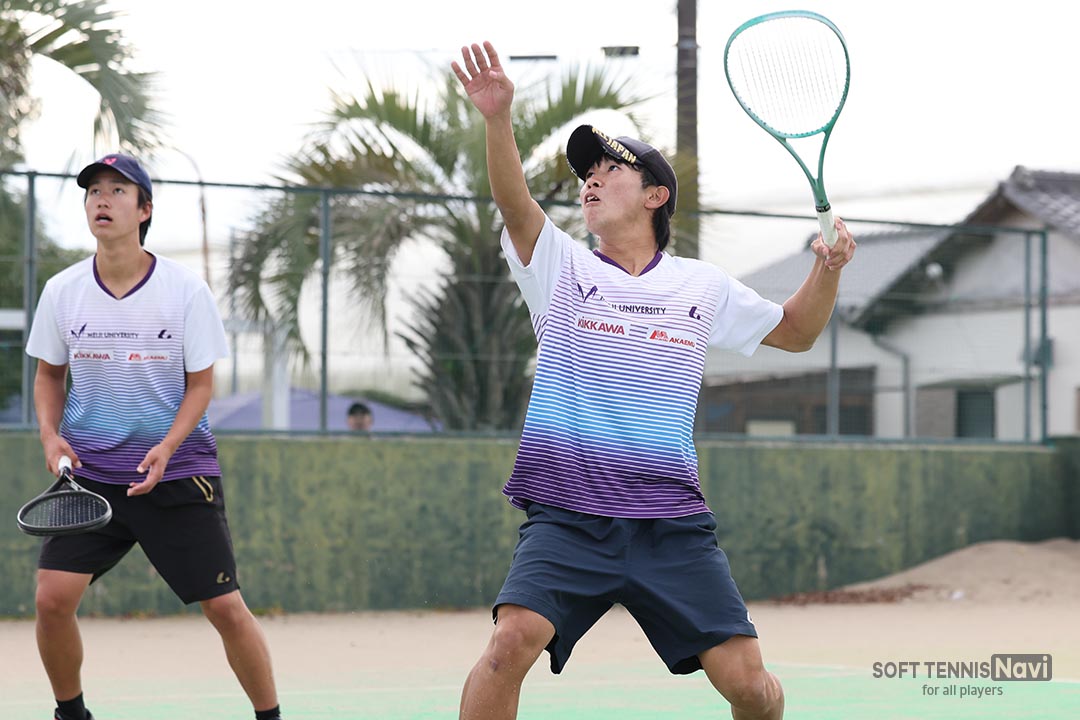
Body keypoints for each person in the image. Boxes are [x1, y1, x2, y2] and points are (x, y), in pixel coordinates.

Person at [451, 42, 856, 720]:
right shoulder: (561, 269)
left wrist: (829, 268)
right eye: (586, 174)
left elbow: (796, 330)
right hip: (569, 515)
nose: (591, 181)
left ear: (655, 195)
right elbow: (516, 205)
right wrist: (498, 120)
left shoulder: (701, 285)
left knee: (750, 688)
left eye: (610, 169)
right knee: (509, 643)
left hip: (671, 523)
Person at [25, 153, 284, 720]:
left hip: (177, 475)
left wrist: (167, 447)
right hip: (92, 479)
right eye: (94, 190)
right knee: (51, 600)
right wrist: (49, 435)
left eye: (118, 190)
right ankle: (71, 715)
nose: (102, 198)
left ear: (144, 210)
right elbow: (48, 375)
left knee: (225, 608)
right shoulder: (62, 290)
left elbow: (201, 385)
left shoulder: (185, 290)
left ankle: (270, 716)